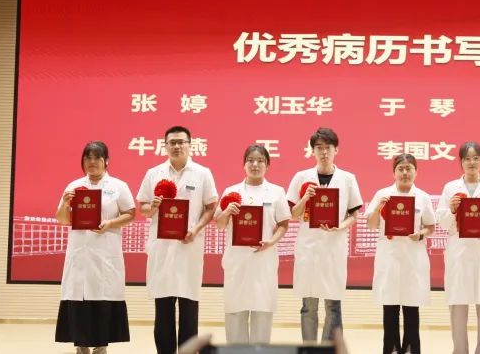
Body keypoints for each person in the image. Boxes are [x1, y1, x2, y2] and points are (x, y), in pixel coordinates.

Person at [136, 125, 219, 354]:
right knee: (163, 309)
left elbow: (211, 207)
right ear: (165, 146)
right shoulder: (154, 173)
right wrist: (152, 207)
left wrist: (196, 229)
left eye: (181, 142)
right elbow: (142, 207)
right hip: (161, 248)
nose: (177, 146)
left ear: (190, 145)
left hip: (189, 247)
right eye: (172, 142)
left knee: (189, 308)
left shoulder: (202, 173)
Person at [54, 141, 135, 354]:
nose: (92, 162)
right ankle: (81, 347)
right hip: (79, 253)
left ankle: (100, 347)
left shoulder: (118, 186)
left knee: (103, 298)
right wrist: (65, 203)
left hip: (105, 253)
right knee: (78, 298)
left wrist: (110, 223)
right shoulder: (73, 187)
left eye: (97, 158)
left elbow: (130, 214)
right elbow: (62, 219)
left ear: (106, 161)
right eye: (87, 158)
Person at [286, 127, 364, 343]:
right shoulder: (301, 177)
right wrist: (305, 198)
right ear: (312, 151)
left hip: (333, 246)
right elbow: (293, 214)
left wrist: (340, 226)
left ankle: (328, 349)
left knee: (333, 305)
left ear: (336, 149)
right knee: (308, 306)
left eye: (328, 147)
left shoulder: (347, 178)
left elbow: (354, 215)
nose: (324, 152)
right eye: (318, 148)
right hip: (309, 248)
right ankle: (310, 348)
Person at [214, 144, 291, 344]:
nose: (255, 165)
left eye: (260, 161)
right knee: (235, 312)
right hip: (237, 262)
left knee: (262, 312)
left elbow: (283, 224)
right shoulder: (231, 191)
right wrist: (226, 212)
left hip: (263, 261)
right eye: (250, 160)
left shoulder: (276, 192)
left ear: (267, 165)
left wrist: (271, 242)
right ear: (244, 164)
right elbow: (219, 225)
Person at [435, 141, 480, 354]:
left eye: (476, 158)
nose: (472, 162)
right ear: (461, 162)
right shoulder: (450, 188)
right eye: (467, 158)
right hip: (459, 252)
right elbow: (442, 222)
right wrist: (451, 210)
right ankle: (460, 350)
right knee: (458, 305)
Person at [365, 153, 437, 354]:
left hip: (413, 257)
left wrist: (420, 234)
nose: (405, 173)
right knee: (390, 308)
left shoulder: (422, 196)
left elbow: (431, 226)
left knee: (412, 307)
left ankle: (411, 349)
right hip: (389, 257)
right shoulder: (382, 194)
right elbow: (371, 225)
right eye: (400, 169)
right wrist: (379, 208)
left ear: (416, 172)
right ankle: (391, 349)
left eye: (409, 169)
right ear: (394, 172)